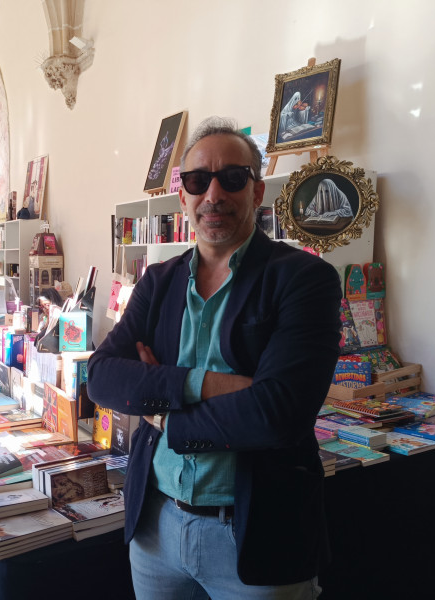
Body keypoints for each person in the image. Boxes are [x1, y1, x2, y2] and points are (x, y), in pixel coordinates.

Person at [87, 116, 342, 599]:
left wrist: (163, 416)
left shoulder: (304, 279)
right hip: (155, 528)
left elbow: (276, 414)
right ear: (182, 195)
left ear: (257, 190)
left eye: (232, 178)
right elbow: (101, 377)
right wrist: (201, 384)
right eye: (198, 180)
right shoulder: (158, 282)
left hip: (255, 535)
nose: (214, 195)